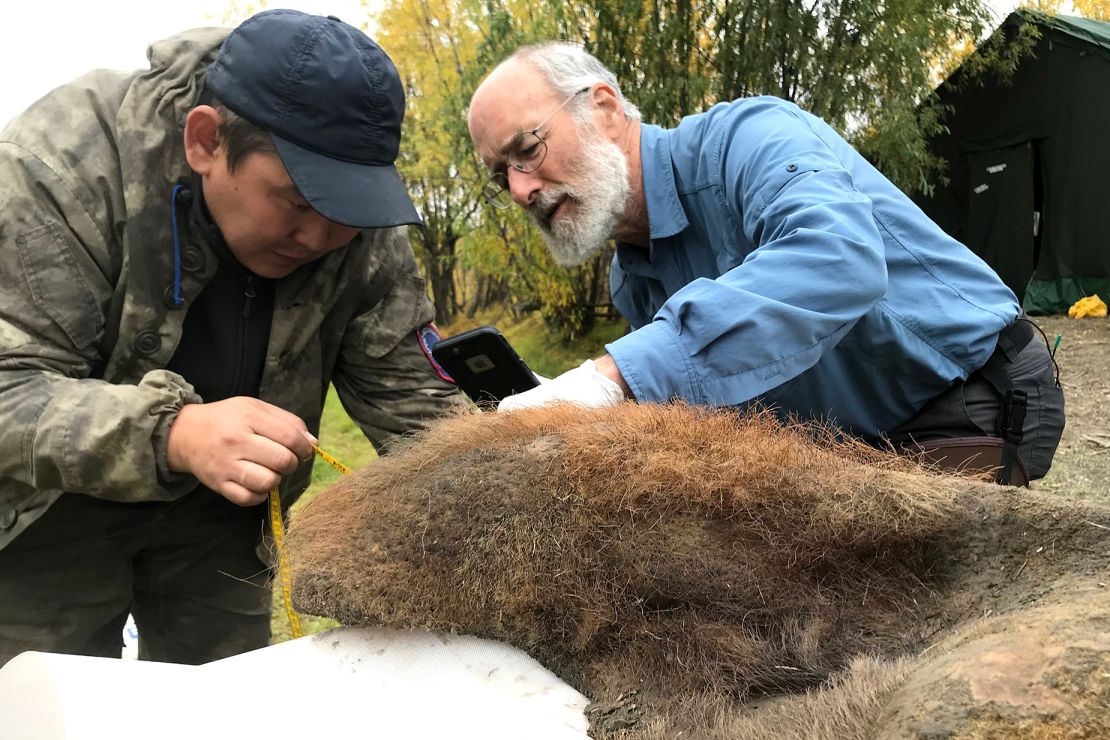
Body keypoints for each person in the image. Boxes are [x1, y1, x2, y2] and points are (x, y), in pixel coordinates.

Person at [0, 10, 467, 666]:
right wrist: (173, 434)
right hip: (47, 516)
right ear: (205, 142)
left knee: (219, 712)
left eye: (347, 215)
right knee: (50, 713)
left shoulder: (354, 221)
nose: (322, 239)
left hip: (221, 524)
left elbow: (423, 414)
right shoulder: (62, 165)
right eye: (298, 204)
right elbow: (8, 389)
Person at [467, 42, 1064, 484]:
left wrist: (613, 377)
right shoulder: (631, 277)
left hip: (968, 395)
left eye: (528, 150)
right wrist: (581, 404)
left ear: (603, 106)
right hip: (850, 442)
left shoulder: (749, 138)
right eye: (502, 177)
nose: (522, 191)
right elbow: (692, 394)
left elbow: (839, 258)